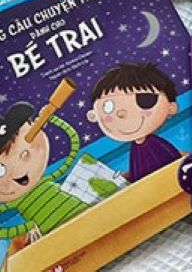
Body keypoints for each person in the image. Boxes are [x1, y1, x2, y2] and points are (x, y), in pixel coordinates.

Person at [0, 102, 86, 245]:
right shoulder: (14, 201)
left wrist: (52, 118)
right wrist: (25, 227)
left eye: (25, 153)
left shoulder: (46, 179)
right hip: (57, 236)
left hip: (84, 213)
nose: (18, 169)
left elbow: (73, 143)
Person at [87, 62, 180, 181]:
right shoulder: (137, 147)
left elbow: (171, 167)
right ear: (94, 115)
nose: (121, 113)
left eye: (144, 100)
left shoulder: (154, 145)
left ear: (171, 107)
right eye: (107, 107)